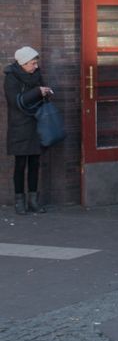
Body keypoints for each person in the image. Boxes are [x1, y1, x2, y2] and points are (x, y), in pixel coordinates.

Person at [4, 46, 54, 215]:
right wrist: (37, 92)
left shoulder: (37, 75)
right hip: (19, 126)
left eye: (35, 63)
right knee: (20, 164)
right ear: (23, 63)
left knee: (35, 163)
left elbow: (39, 94)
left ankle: (33, 201)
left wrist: (46, 92)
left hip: (36, 124)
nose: (35, 66)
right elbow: (16, 102)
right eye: (32, 63)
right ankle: (19, 201)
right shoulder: (11, 78)